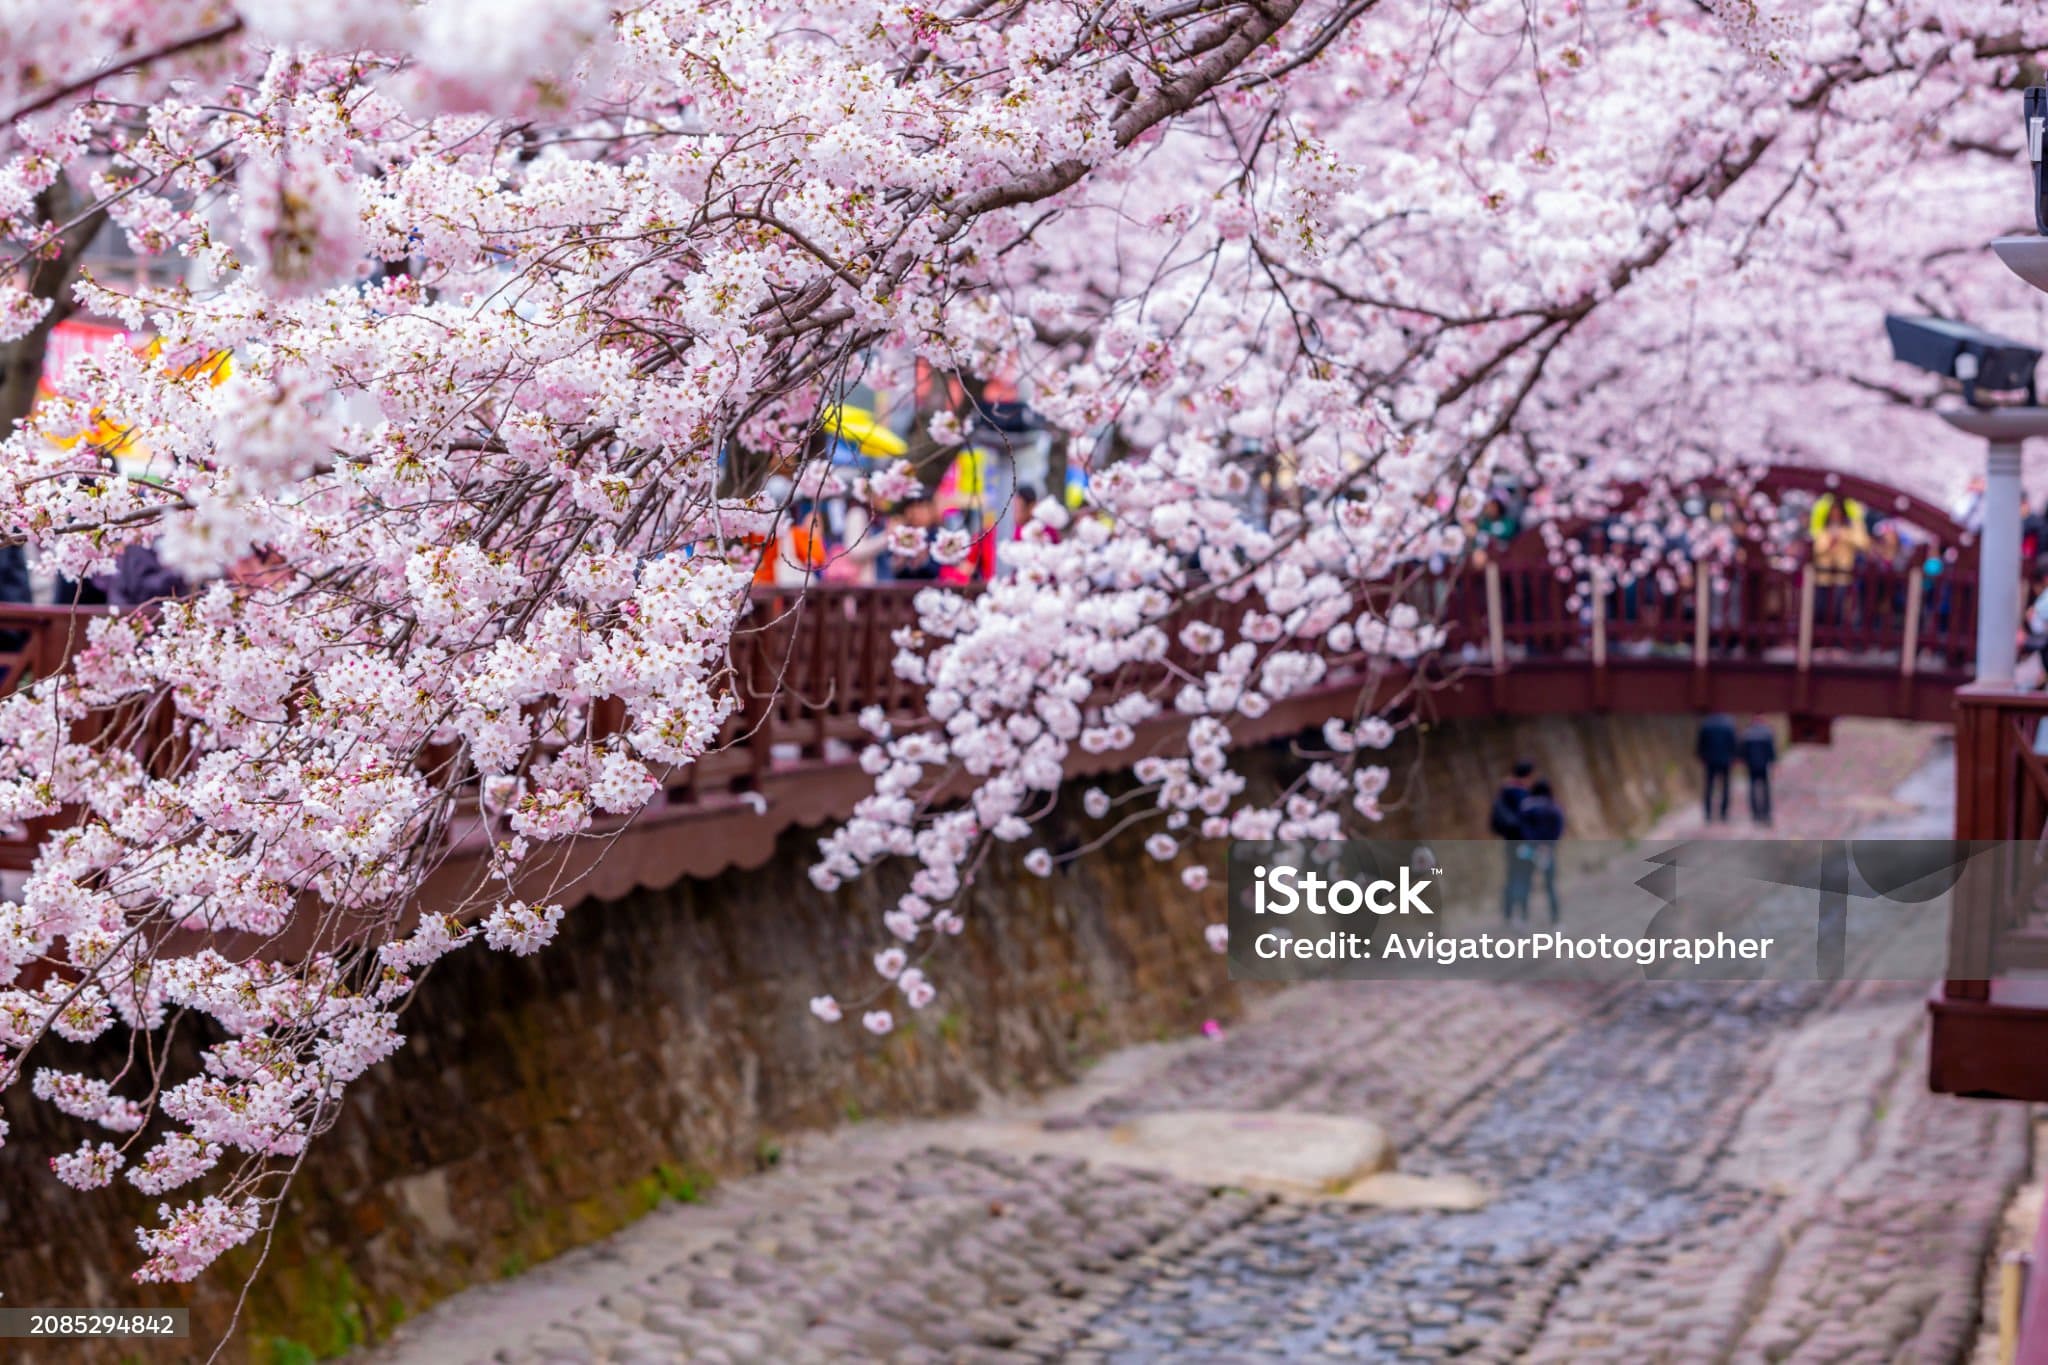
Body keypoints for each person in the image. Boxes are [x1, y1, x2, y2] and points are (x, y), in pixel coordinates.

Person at [1490, 760, 1535, 923]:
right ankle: (1520, 913)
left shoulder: (1505, 790)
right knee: (1523, 876)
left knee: (1513, 875)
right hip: (1521, 841)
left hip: (1510, 841)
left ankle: (1509, 913)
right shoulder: (1519, 793)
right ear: (1528, 775)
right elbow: (1526, 820)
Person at [1516, 779, 1566, 923]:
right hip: (1547, 850)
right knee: (1550, 886)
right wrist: (1549, 845)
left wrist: (1534, 844)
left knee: (1525, 883)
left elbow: (1523, 829)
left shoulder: (1526, 806)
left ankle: (1523, 918)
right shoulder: (1553, 806)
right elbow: (1558, 827)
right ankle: (1556, 919)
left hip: (1530, 851)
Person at [1696, 712, 1737, 823]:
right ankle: (1724, 813)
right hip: (1725, 760)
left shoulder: (1706, 724)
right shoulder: (1729, 724)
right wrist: (1733, 757)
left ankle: (1708, 813)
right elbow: (1733, 743)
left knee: (1709, 787)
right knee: (1725, 787)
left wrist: (1701, 756)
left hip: (1710, 760)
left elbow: (1701, 743)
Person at [1739, 715, 1777, 825]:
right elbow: (1771, 750)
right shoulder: (1767, 732)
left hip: (1751, 765)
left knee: (1752, 789)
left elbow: (1743, 751)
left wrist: (1744, 761)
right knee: (1765, 789)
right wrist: (1772, 762)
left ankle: (1755, 813)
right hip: (1764, 765)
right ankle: (1766, 812)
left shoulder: (1748, 733)